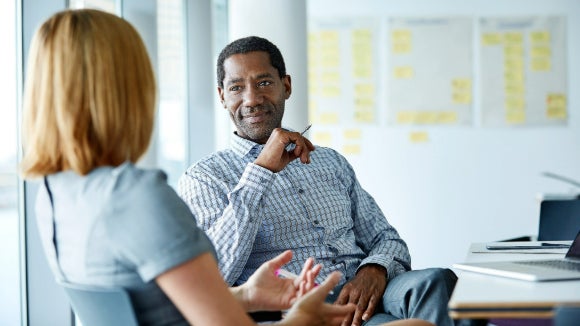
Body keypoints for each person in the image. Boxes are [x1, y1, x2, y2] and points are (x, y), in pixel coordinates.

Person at [20, 9, 360, 326]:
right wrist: (302, 318)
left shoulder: (54, 195)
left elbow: (153, 309)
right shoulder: (138, 196)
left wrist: (246, 295)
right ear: (127, 90)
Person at [177, 35, 458, 326]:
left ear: (286, 86)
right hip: (304, 309)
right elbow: (216, 274)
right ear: (222, 96)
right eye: (237, 88)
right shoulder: (204, 178)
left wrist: (375, 269)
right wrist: (261, 171)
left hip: (370, 289)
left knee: (435, 281)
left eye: (263, 83)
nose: (252, 99)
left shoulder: (329, 161)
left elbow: (386, 238)